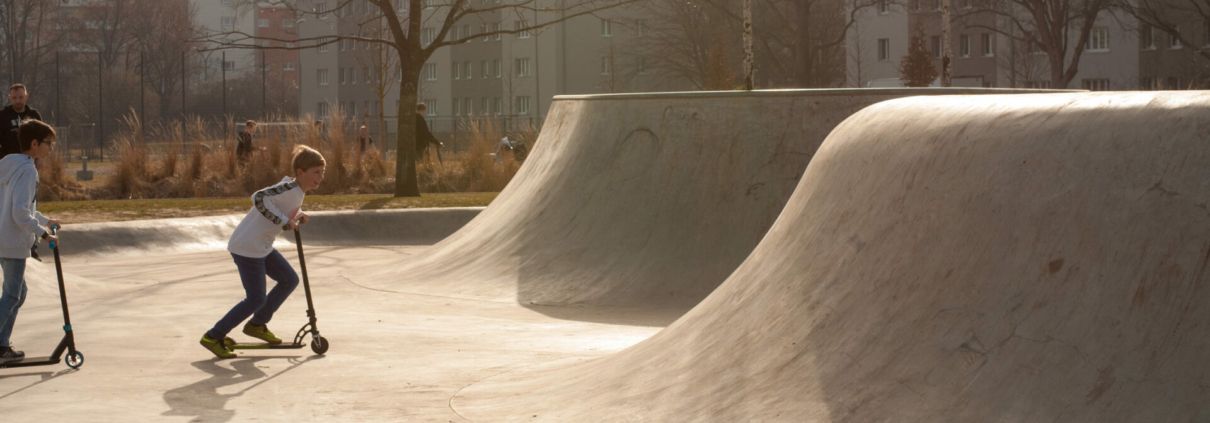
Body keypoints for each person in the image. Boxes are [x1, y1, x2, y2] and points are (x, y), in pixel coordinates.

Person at [199, 145, 326, 359]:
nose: (320, 177)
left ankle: (257, 324)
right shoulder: (289, 188)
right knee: (256, 298)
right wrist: (285, 221)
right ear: (300, 173)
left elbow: (284, 206)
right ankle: (214, 335)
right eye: (316, 172)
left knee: (289, 280)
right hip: (247, 247)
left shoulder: (295, 192)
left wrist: (298, 214)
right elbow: (258, 198)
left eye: (322, 172)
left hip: (261, 247)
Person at [0, 120, 60, 362]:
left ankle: (2, 344)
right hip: (14, 241)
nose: (51, 149)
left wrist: (45, 221)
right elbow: (20, 213)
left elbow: (20, 207)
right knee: (13, 295)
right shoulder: (28, 171)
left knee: (19, 293)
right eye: (48, 144)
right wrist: (43, 234)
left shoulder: (10, 165)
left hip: (4, 238)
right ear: (34, 144)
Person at [0, 84, 43, 161]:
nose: (18, 101)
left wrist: (39, 158)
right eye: (14, 98)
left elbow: (42, 139)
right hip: (8, 163)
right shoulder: (3, 116)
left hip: (30, 162)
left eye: (21, 97)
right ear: (10, 98)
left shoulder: (34, 115)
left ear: (26, 96)